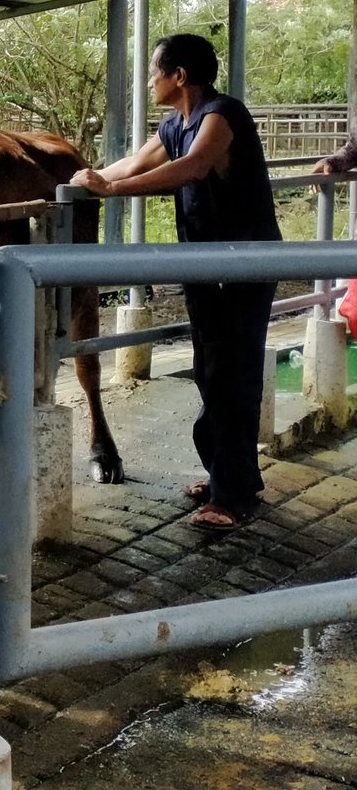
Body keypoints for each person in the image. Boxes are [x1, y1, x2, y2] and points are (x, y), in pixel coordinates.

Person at [71, 33, 281, 532]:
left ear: (179, 76)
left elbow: (193, 168)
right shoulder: (174, 125)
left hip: (243, 265)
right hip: (206, 267)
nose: (150, 81)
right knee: (211, 371)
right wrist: (87, 178)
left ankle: (233, 499)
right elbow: (131, 164)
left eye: (154, 72)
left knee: (234, 372)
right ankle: (230, 477)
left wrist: (114, 189)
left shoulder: (221, 116)